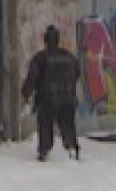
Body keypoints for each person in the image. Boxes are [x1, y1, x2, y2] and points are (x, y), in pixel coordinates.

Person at [21, 25, 81, 162]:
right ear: (58, 39)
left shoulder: (40, 58)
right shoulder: (69, 57)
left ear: (45, 40)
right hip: (67, 99)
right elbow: (77, 73)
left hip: (46, 99)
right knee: (68, 126)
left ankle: (45, 151)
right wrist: (66, 86)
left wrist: (25, 92)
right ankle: (72, 148)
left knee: (45, 126)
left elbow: (32, 77)